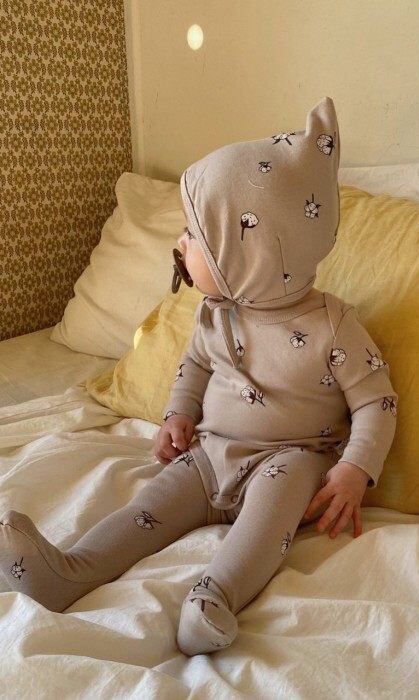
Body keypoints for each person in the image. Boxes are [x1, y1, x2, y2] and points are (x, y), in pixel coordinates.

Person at [0, 96, 398, 656]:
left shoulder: (333, 327)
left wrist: (356, 469)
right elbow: (195, 365)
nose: (180, 246)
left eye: (194, 235)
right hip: (210, 452)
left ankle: (216, 597)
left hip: (292, 458)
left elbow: (376, 402)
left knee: (265, 523)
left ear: (249, 253)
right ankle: (70, 571)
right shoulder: (216, 313)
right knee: (148, 508)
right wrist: (178, 415)